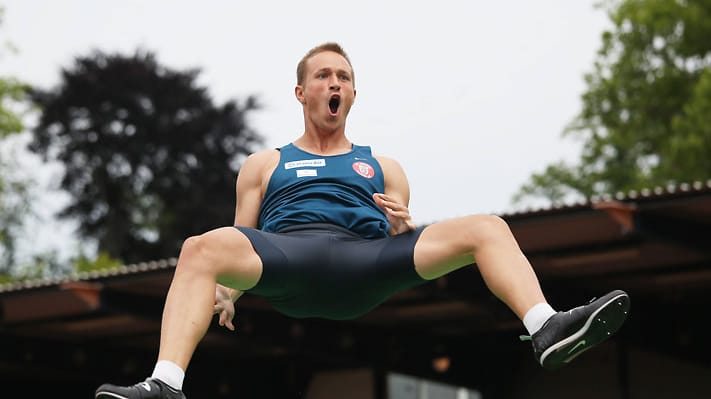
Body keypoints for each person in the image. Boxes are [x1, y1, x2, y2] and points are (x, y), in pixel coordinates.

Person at [95, 42, 631, 399]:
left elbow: (401, 236)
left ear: (352, 95)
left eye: (344, 77)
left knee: (487, 227)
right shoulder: (263, 164)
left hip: (366, 261)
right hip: (292, 258)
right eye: (323, 75)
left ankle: (546, 328)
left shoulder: (384, 165)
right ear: (302, 93)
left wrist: (402, 225)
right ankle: (165, 384)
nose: (335, 82)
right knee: (199, 247)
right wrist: (227, 295)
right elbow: (241, 235)